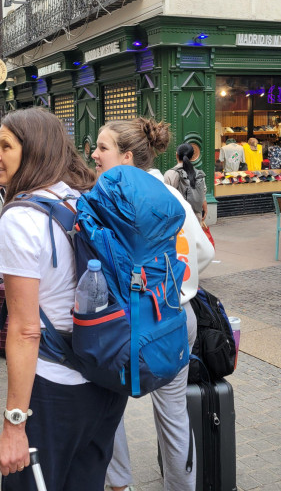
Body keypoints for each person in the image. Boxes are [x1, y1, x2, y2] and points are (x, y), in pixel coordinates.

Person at [0, 108, 127, 489]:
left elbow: (25, 330)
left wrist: (14, 424)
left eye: (6, 146)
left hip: (54, 389)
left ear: (33, 151)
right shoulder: (80, 198)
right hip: (105, 381)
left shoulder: (20, 218)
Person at [92, 118, 215, 491]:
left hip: (129, 321)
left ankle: (120, 486)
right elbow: (205, 251)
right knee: (175, 416)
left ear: (127, 157)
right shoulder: (171, 193)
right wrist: (177, 282)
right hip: (178, 316)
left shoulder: (110, 199)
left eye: (102, 148)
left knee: (109, 411)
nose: (93, 154)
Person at [164, 142, 208, 222]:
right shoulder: (198, 174)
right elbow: (202, 193)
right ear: (192, 157)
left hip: (177, 219)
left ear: (176, 155)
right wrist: (204, 209)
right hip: (195, 218)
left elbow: (166, 199)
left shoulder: (169, 174)